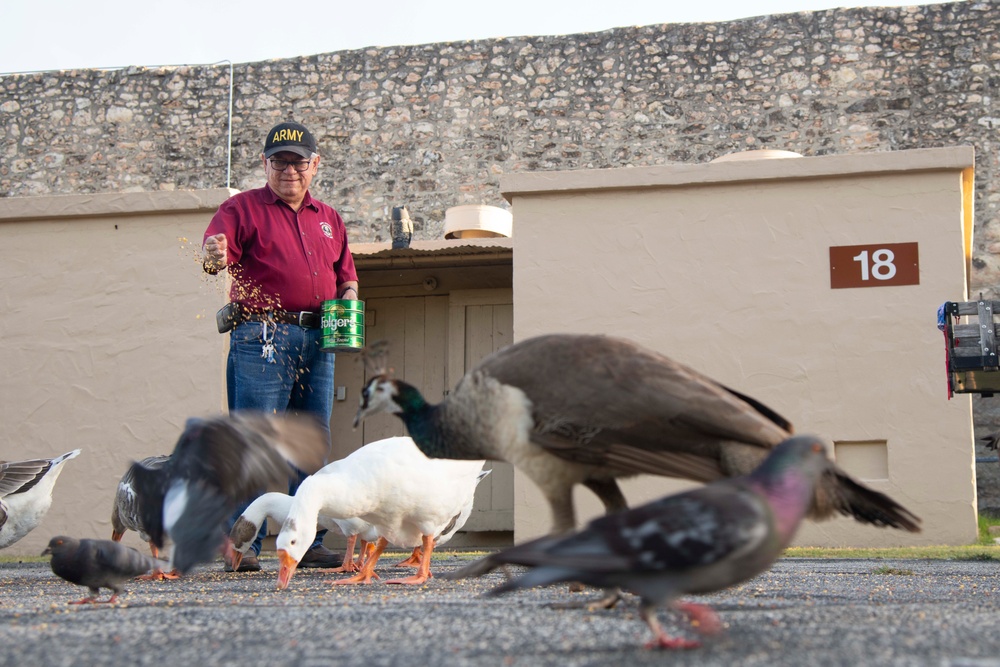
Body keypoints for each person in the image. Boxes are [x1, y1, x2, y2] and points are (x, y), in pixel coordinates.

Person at [201, 120, 358, 572]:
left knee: (312, 439)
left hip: (318, 336)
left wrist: (347, 297)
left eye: (298, 161)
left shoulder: (329, 218)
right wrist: (214, 257)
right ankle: (241, 546)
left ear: (315, 165)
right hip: (262, 332)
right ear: (265, 164)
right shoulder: (241, 209)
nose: (289, 169)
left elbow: (346, 274)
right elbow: (217, 254)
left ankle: (304, 541)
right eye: (279, 161)